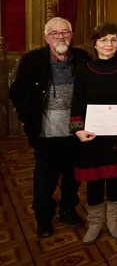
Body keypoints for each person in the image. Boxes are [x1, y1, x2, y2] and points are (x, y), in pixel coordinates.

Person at [9, 17, 90, 238]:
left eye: (65, 32)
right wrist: (28, 118)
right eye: (55, 33)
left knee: (73, 178)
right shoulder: (32, 60)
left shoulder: (82, 58)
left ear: (71, 36)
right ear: (46, 38)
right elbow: (17, 92)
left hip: (76, 132)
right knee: (44, 181)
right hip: (46, 134)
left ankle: (68, 210)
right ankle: (44, 218)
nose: (60, 37)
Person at [68, 23, 117, 243]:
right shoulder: (84, 69)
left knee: (116, 179)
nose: (109, 44)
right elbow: (77, 103)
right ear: (95, 44)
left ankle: (113, 219)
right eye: (104, 40)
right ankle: (95, 222)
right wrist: (78, 131)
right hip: (92, 136)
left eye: (113, 40)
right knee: (94, 181)